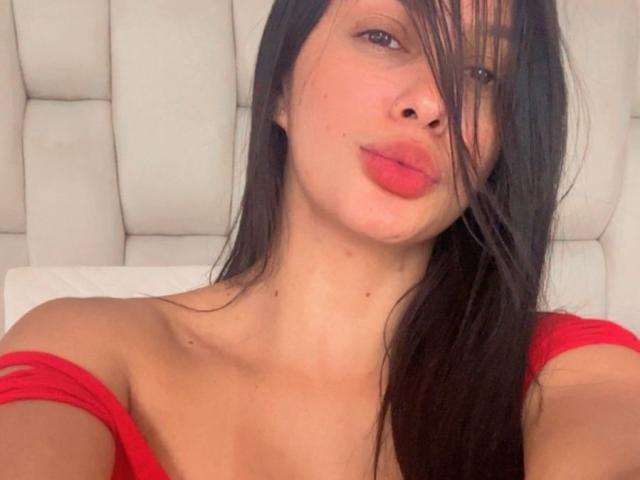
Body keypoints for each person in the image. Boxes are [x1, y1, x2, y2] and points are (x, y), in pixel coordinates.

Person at [2, 0, 640, 479]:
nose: (431, 101)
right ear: (280, 84)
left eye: (480, 72)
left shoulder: (573, 372)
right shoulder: (86, 347)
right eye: (383, 36)